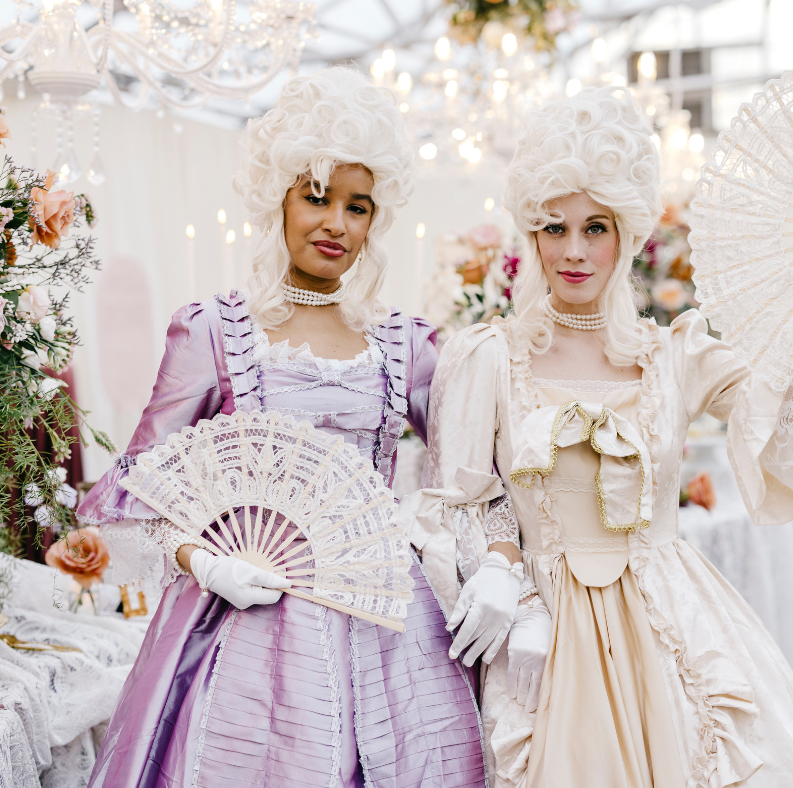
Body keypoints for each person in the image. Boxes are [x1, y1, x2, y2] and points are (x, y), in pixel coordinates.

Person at [402, 87, 793, 787]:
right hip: (540, 640)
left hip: (669, 625)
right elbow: (461, 501)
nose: (574, 251)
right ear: (529, 236)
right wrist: (510, 579)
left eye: (595, 227)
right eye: (553, 227)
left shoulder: (675, 353)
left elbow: (792, 400)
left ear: (628, 235)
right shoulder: (490, 356)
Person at [77, 68, 486, 788]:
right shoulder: (214, 332)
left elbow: (474, 470)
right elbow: (135, 487)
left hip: (386, 628)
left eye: (357, 207)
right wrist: (203, 562)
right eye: (318, 197)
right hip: (240, 626)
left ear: (373, 221)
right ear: (281, 199)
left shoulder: (406, 344)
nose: (335, 223)